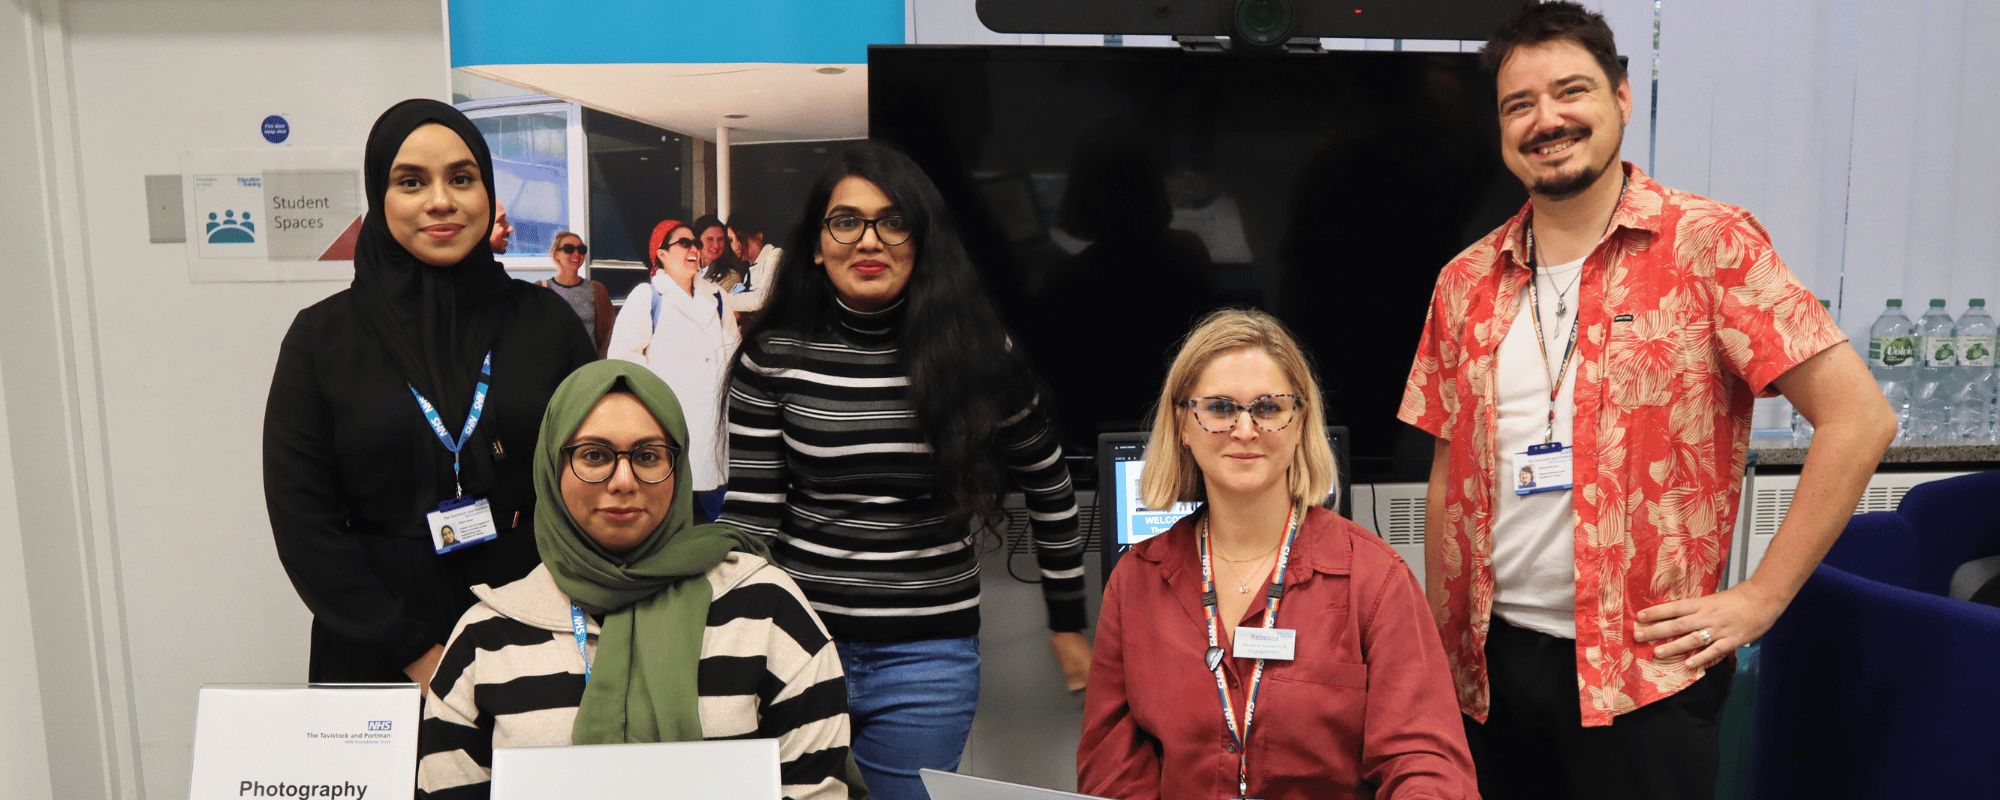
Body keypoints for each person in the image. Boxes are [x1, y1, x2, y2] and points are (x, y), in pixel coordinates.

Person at [1397, 4, 1897, 798]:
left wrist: (1760, 599)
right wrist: (1433, 638)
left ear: (1622, 96)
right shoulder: (1465, 283)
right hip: (1484, 677)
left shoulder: (1711, 245)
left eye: (1570, 92)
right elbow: (1448, 468)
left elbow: (1861, 417)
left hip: (1643, 678)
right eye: (1518, 105)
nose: (1546, 120)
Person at [719, 142, 1091, 800]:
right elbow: (752, 517)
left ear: (922, 239)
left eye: (893, 221)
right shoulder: (771, 359)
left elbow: (1051, 487)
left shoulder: (979, 357)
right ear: (814, 243)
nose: (869, 240)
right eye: (846, 221)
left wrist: (1066, 623)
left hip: (928, 659)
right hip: (798, 644)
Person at [263, 98, 597, 685]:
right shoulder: (322, 337)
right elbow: (303, 522)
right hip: (377, 639)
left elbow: (593, 472)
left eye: (462, 179)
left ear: (488, 194)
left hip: (532, 617)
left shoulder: (547, 324)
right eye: (411, 181)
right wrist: (416, 654)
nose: (440, 200)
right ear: (379, 196)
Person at [416, 360, 860, 800]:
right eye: (594, 455)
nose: (623, 481)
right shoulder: (487, 634)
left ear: (679, 465)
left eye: (648, 456)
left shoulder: (764, 608)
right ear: (552, 467)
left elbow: (816, 789)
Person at [1078, 309, 1475, 800]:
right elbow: (1112, 772)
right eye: (1220, 408)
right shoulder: (1136, 583)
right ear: (1182, 424)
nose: (1245, 430)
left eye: (1268, 408)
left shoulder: (1375, 581)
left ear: (1299, 421)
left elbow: (1426, 766)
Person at [606, 220, 738, 523]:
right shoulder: (648, 296)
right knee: (670, 516)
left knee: (720, 520)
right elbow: (623, 360)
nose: (694, 249)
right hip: (668, 426)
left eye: (695, 243)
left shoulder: (717, 297)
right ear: (661, 254)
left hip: (715, 428)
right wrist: (659, 401)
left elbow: (733, 354)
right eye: (683, 243)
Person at [537, 230, 615, 356]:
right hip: (555, 368)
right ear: (556, 254)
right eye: (569, 249)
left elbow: (609, 332)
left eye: (581, 249)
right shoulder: (541, 289)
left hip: (588, 367)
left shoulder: (596, 290)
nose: (576, 254)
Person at [725, 212, 783, 317]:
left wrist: (721, 300)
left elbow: (761, 299)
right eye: (731, 240)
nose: (735, 246)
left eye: (740, 238)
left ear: (759, 235)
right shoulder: (749, 274)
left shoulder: (776, 255)